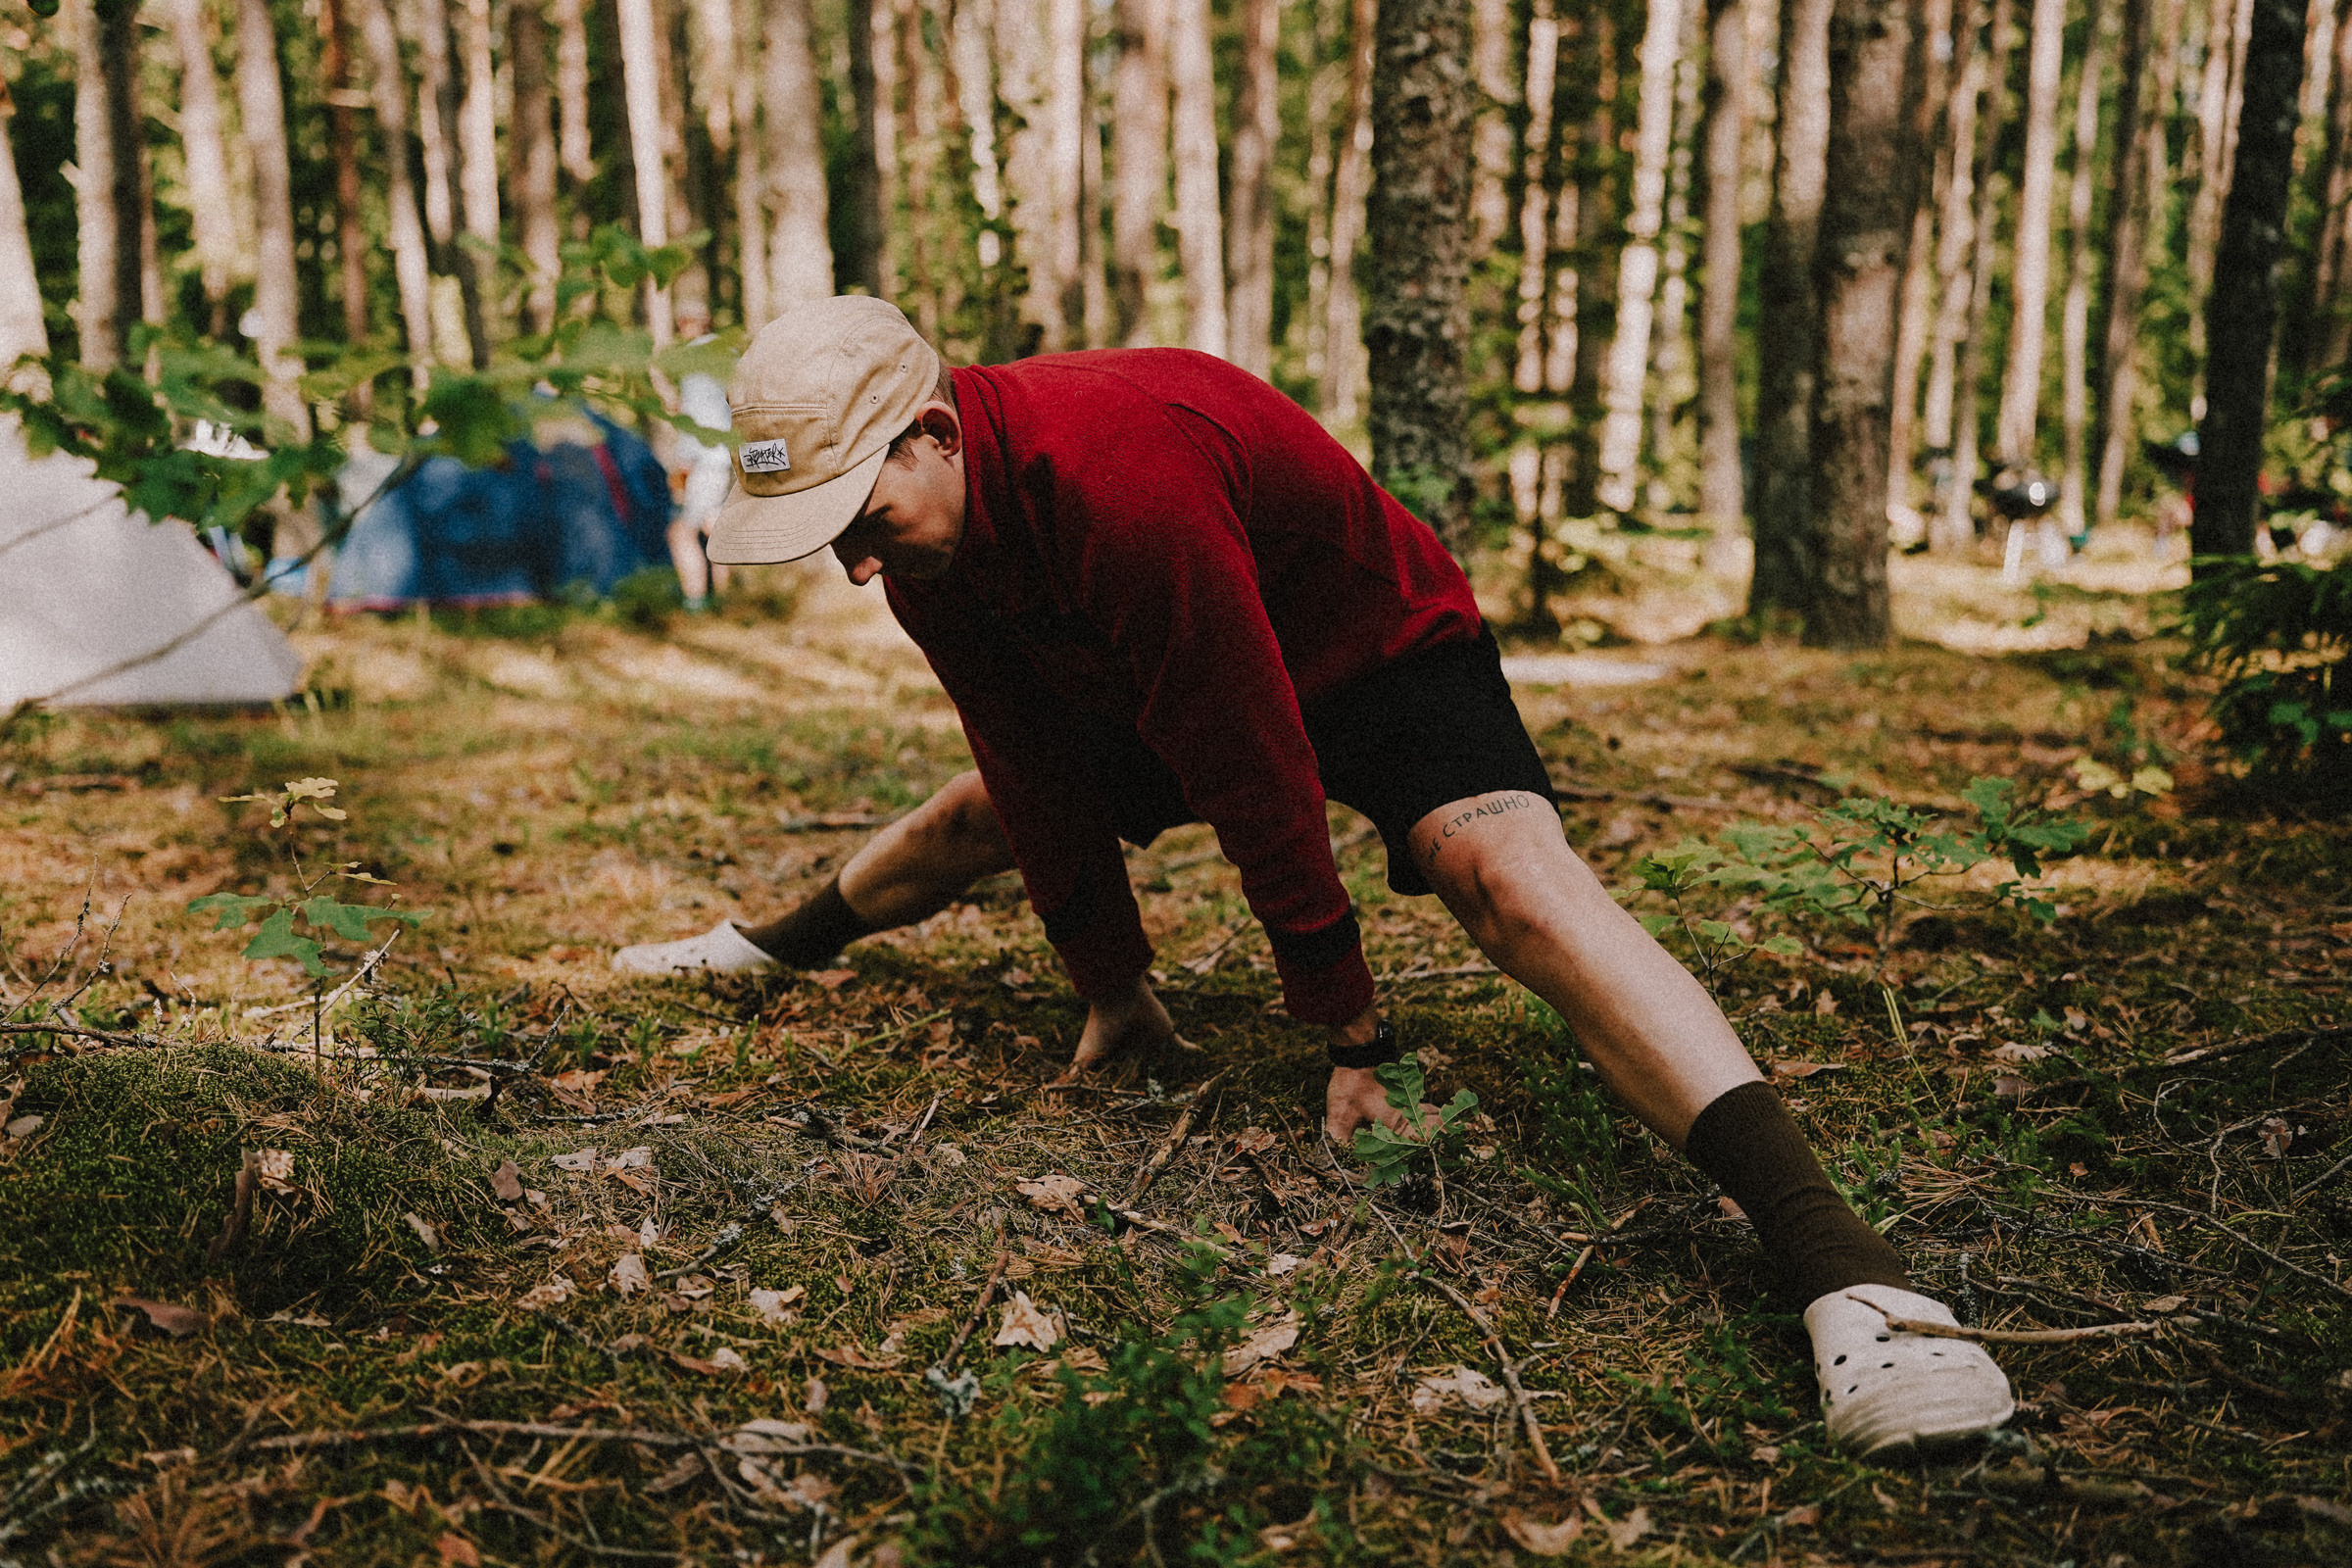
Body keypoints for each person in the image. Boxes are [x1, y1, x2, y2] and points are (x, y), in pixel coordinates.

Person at [611, 296, 2015, 1455]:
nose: (857, 569)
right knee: (982, 810)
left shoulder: (1119, 481)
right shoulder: (933, 544)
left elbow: (1253, 763)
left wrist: (1352, 1028)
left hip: (1376, 656)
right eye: (832, 539)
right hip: (1187, 655)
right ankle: (766, 945)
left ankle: (1854, 1279)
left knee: (1511, 882)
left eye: (861, 520)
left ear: (933, 433)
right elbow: (1027, 755)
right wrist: (1111, 982)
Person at [666, 315, 737, 612]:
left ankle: (694, 602)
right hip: (729, 455)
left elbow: (694, 420)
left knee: (681, 532)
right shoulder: (729, 352)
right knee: (713, 526)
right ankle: (724, 600)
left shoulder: (694, 359)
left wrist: (684, 464)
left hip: (705, 458)